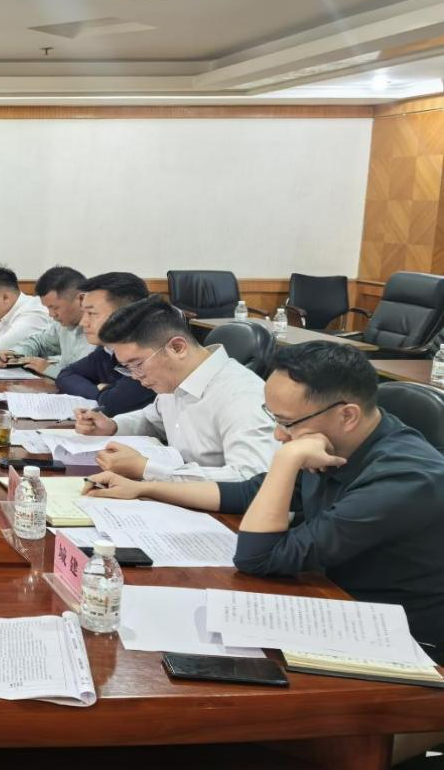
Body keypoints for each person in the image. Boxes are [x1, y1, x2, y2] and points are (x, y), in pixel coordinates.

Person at [85, 342, 444, 663]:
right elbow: (247, 492)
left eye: (287, 422)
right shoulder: (338, 441)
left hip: (399, 640)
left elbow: (257, 558)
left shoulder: (405, 479)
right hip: (328, 597)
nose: (278, 434)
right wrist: (146, 488)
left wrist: (287, 459)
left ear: (347, 415)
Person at [75, 295, 278, 482]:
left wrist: (148, 469)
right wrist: (113, 426)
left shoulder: (242, 396)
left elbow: (252, 478)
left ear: (177, 348)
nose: (135, 376)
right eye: (127, 367)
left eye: (137, 364)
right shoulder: (174, 383)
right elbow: (151, 420)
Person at [55, 272, 155, 416]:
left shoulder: (151, 354)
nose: (83, 322)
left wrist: (106, 394)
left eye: (91, 314)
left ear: (124, 314)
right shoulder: (107, 349)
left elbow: (114, 404)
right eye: (84, 313)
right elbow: (66, 375)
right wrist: (101, 391)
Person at [0, 265, 93, 377]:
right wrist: (14, 354)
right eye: (48, 308)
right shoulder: (61, 324)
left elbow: (87, 379)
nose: (51, 314)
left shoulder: (100, 333)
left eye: (55, 307)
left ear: (81, 299)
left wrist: (50, 370)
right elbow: (40, 342)